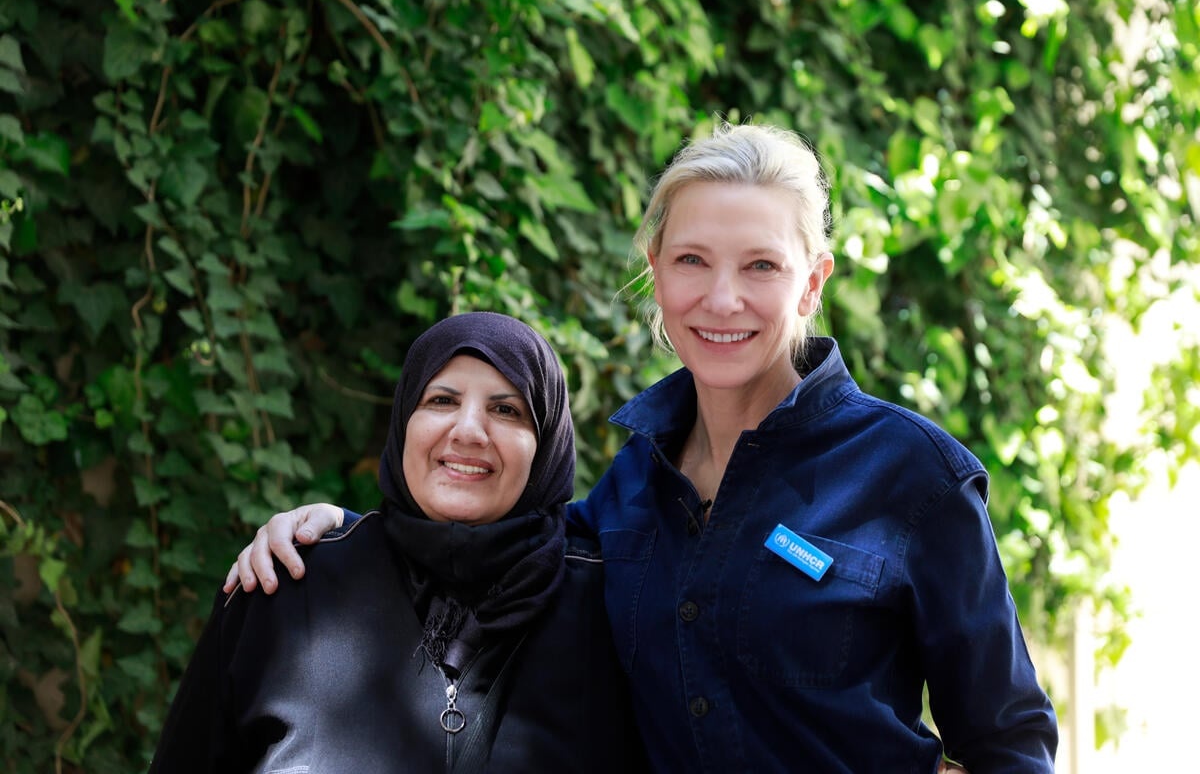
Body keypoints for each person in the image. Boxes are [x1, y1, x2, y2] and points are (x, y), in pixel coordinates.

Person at [228, 122, 1058, 772]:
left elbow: (1011, 740)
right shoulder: (627, 491)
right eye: (692, 260)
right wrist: (338, 531)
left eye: (761, 266)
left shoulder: (913, 477)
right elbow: (492, 554)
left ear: (812, 280)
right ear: (656, 272)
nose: (722, 298)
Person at [152, 312, 649, 773]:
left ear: (547, 446)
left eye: (507, 409)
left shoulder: (613, 610)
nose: (469, 430)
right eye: (442, 400)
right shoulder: (286, 587)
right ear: (403, 421)